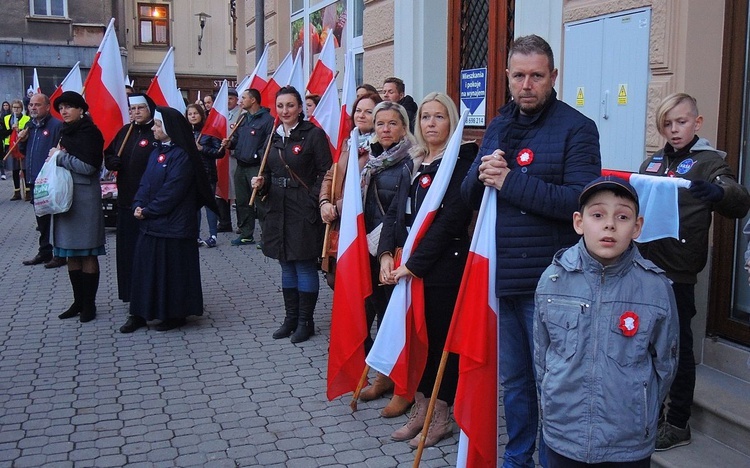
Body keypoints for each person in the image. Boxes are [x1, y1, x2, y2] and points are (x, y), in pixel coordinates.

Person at [460, 34, 601, 467]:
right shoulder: (499, 124)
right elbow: (469, 196)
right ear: (506, 77)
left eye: (536, 76)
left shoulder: (577, 128)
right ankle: (517, 457)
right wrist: (481, 173)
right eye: (518, 76)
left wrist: (510, 182)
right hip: (503, 278)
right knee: (515, 382)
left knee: (553, 383)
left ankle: (554, 459)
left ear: (553, 76)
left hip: (554, 282)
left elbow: (580, 202)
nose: (527, 85)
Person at [535, 176, 679, 467]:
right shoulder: (553, 279)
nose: (609, 225)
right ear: (579, 222)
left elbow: (666, 363)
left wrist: (642, 406)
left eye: (622, 217)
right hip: (564, 433)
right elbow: (543, 357)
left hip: (627, 439)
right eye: (598, 215)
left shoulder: (655, 288)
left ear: (637, 227)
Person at [637, 92, 750, 451]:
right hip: (644, 269)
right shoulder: (651, 163)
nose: (674, 129)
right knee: (645, 348)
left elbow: (738, 198)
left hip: (679, 274)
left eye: (681, 122)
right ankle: (650, 417)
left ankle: (678, 422)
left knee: (678, 350)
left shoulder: (708, 163)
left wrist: (718, 194)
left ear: (697, 123)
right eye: (667, 124)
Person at [377, 92, 478, 448]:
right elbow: (394, 213)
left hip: (440, 270)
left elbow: (450, 221)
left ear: (451, 122)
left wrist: (413, 266)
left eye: (439, 117)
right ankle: (420, 406)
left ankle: (441, 414)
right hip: (405, 267)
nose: (431, 124)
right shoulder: (415, 159)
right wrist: (387, 254)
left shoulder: (461, 164)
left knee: (438, 343)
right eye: (425, 117)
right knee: (414, 341)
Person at [120, 107, 218, 333]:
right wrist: (138, 204)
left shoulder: (183, 156)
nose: (153, 129)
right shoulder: (156, 152)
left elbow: (172, 191)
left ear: (169, 128)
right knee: (145, 270)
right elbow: (145, 183)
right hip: (152, 222)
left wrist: (148, 210)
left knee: (171, 273)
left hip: (174, 225)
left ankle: (174, 314)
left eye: (156, 125)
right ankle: (140, 313)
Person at [251, 86, 332, 344]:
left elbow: (325, 172)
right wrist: (261, 183)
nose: (285, 111)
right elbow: (269, 170)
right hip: (277, 208)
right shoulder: (274, 137)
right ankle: (290, 318)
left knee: (304, 264)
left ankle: (305, 321)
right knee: (285, 263)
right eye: (280, 106)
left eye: (290, 105)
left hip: (303, 208)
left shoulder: (313, 135)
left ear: (300, 108)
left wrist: (313, 200)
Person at [355, 101, 416, 418]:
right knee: (379, 312)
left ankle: (403, 385)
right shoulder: (370, 159)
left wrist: (386, 253)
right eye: (380, 123)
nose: (386, 129)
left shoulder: (408, 162)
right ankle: (384, 375)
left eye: (393, 123)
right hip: (367, 247)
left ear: (404, 127)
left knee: (397, 318)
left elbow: (400, 214)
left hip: (392, 251)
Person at [51, 91, 106, 323]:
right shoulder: (64, 132)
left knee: (87, 252)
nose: (64, 111)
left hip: (84, 199)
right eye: (61, 107)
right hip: (65, 199)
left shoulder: (90, 133)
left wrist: (59, 158)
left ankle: (89, 304)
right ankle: (77, 301)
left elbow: (89, 167)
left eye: (69, 107)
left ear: (81, 110)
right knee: (70, 252)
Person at [319, 91, 383, 287]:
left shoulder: (381, 148)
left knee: (360, 279)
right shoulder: (350, 142)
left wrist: (337, 207)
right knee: (334, 277)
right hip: (339, 218)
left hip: (362, 219)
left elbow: (365, 187)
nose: (361, 115)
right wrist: (324, 202)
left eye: (368, 111)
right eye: (358, 110)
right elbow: (332, 174)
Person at [104, 93, 158, 304]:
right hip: (126, 200)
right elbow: (109, 153)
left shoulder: (155, 133)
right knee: (127, 252)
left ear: (149, 110)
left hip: (147, 203)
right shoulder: (125, 131)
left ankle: (148, 295)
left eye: (140, 109)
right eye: (132, 110)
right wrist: (111, 161)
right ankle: (129, 293)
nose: (135, 113)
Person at [17, 93, 65, 268]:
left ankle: (60, 253)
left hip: (50, 180)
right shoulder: (30, 127)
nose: (33, 108)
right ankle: (44, 251)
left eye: (37, 105)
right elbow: (25, 151)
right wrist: (22, 141)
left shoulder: (56, 126)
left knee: (56, 217)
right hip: (34, 179)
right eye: (31, 105)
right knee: (41, 218)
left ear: (47, 106)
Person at [224, 88, 274, 246]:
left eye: (244, 98)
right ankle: (246, 234)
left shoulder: (267, 120)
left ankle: (267, 237)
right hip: (241, 166)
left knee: (260, 203)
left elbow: (268, 144)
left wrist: (256, 156)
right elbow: (237, 138)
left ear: (253, 100)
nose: (240, 101)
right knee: (242, 202)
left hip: (256, 167)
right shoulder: (243, 118)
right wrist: (230, 143)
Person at [187, 103, 225, 248]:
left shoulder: (210, 131)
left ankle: (213, 235)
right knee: (194, 206)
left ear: (201, 115)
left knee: (209, 205)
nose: (192, 116)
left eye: (195, 113)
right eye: (190, 114)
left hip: (207, 173)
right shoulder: (186, 133)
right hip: (191, 174)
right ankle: (195, 235)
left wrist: (202, 148)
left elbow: (219, 152)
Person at [216, 88, 240, 233]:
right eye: (226, 98)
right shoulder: (220, 114)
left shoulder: (241, 115)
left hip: (234, 158)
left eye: (231, 98)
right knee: (221, 190)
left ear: (236, 99)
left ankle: (241, 224)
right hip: (220, 158)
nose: (228, 101)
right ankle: (224, 222)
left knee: (237, 193)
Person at [1, 100, 29, 198]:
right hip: (11, 146)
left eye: (18, 107)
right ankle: (17, 191)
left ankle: (28, 191)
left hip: (22, 145)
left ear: (21, 108)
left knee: (24, 169)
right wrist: (10, 130)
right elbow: (3, 132)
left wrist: (19, 130)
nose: (16, 109)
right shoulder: (6, 118)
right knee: (15, 169)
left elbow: (28, 131)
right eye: (14, 107)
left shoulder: (26, 118)